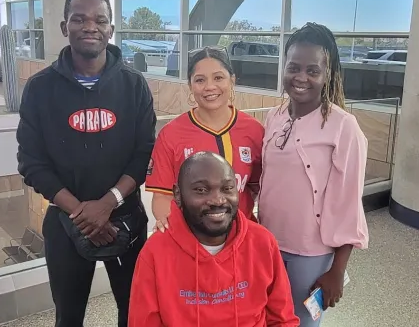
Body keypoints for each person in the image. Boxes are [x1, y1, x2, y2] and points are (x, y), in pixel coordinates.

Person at [16, 0, 156, 327]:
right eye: (78, 19)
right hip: (66, 223)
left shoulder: (135, 86)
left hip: (125, 220)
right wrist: (81, 212)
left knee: (134, 313)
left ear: (111, 29)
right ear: (65, 27)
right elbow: (31, 163)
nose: (89, 26)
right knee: (68, 318)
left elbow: (143, 156)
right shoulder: (40, 88)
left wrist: (108, 203)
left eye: (100, 20)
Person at [258, 22, 369, 326]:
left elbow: (349, 203)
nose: (301, 78)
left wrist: (336, 270)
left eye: (312, 70)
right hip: (266, 245)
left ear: (327, 74)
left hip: (312, 256)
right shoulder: (274, 116)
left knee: (302, 322)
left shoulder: (344, 127)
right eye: (293, 67)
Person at [129, 151, 299, 326]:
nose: (218, 200)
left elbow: (283, 319)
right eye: (201, 190)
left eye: (227, 188)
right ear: (178, 195)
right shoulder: (155, 252)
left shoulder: (262, 242)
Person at [145, 46, 264, 231]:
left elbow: (260, 189)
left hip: (242, 240)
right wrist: (178, 231)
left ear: (232, 80)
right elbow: (162, 197)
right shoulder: (171, 134)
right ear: (190, 86)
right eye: (200, 80)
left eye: (218, 78)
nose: (210, 86)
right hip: (191, 240)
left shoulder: (255, 131)